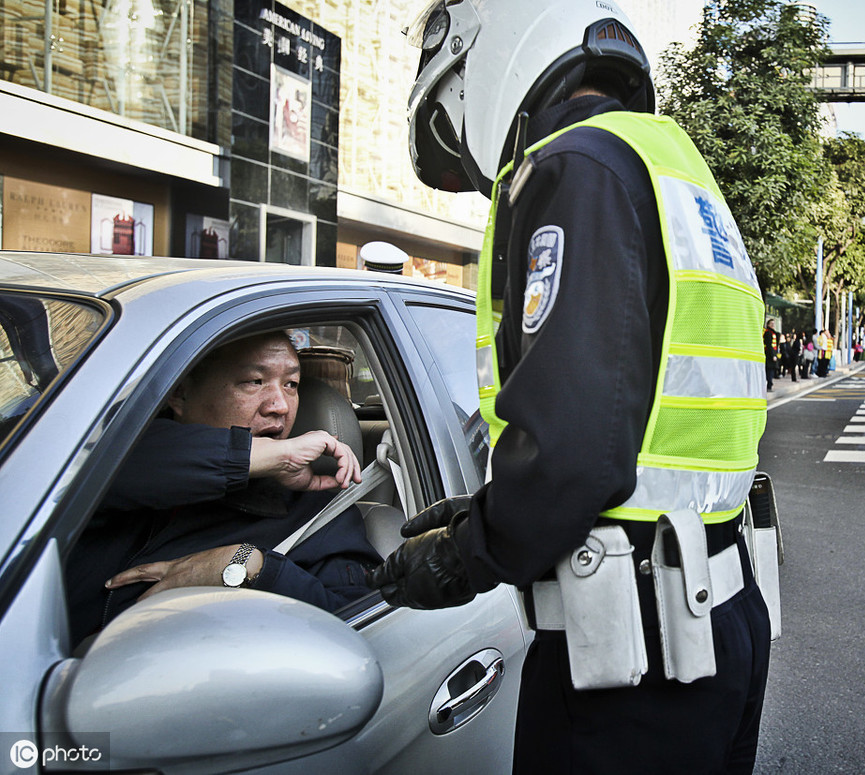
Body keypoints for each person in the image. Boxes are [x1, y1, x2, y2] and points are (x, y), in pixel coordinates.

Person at [368, 2, 772, 771]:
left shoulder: (573, 167)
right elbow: (643, 413)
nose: (478, 163)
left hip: (629, 668)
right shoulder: (674, 173)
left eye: (455, 120)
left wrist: (468, 550)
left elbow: (574, 455)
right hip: (713, 625)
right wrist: (492, 506)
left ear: (480, 63)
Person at [66, 331, 381, 648]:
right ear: (180, 395)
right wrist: (274, 456)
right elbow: (100, 457)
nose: (279, 406)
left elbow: (359, 630)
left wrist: (249, 565)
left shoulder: (317, 515)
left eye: (291, 384)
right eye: (254, 381)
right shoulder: (106, 463)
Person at [763, 320, 779, 390]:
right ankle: (769, 385)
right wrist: (773, 355)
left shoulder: (773, 333)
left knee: (771, 370)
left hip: (772, 353)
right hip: (769, 354)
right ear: (768, 325)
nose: (773, 325)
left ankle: (769, 384)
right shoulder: (768, 333)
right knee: (769, 370)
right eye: (771, 324)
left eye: (773, 323)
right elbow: (769, 345)